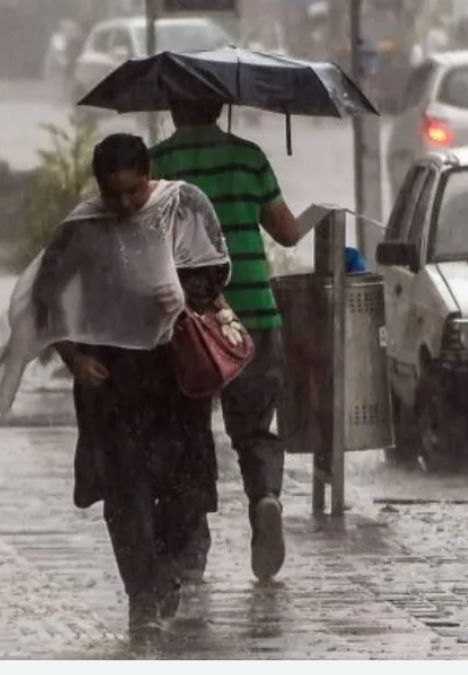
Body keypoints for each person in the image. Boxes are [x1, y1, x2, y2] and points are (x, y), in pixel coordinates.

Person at [0, 134, 232, 638]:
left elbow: (215, 274)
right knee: (126, 492)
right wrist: (76, 355)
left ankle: (166, 572)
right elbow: (49, 296)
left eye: (133, 192)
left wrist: (182, 294)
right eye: (112, 194)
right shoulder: (84, 227)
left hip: (175, 376)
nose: (123, 205)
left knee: (184, 488)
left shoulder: (183, 207)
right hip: (112, 382)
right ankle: (142, 595)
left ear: (149, 175)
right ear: (98, 187)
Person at [151, 101, 302, 584]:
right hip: (251, 315)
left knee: (186, 434)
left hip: (185, 319)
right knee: (255, 426)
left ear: (173, 108)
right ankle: (265, 499)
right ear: (222, 106)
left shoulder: (157, 164)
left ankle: (192, 547)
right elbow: (288, 231)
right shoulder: (248, 156)